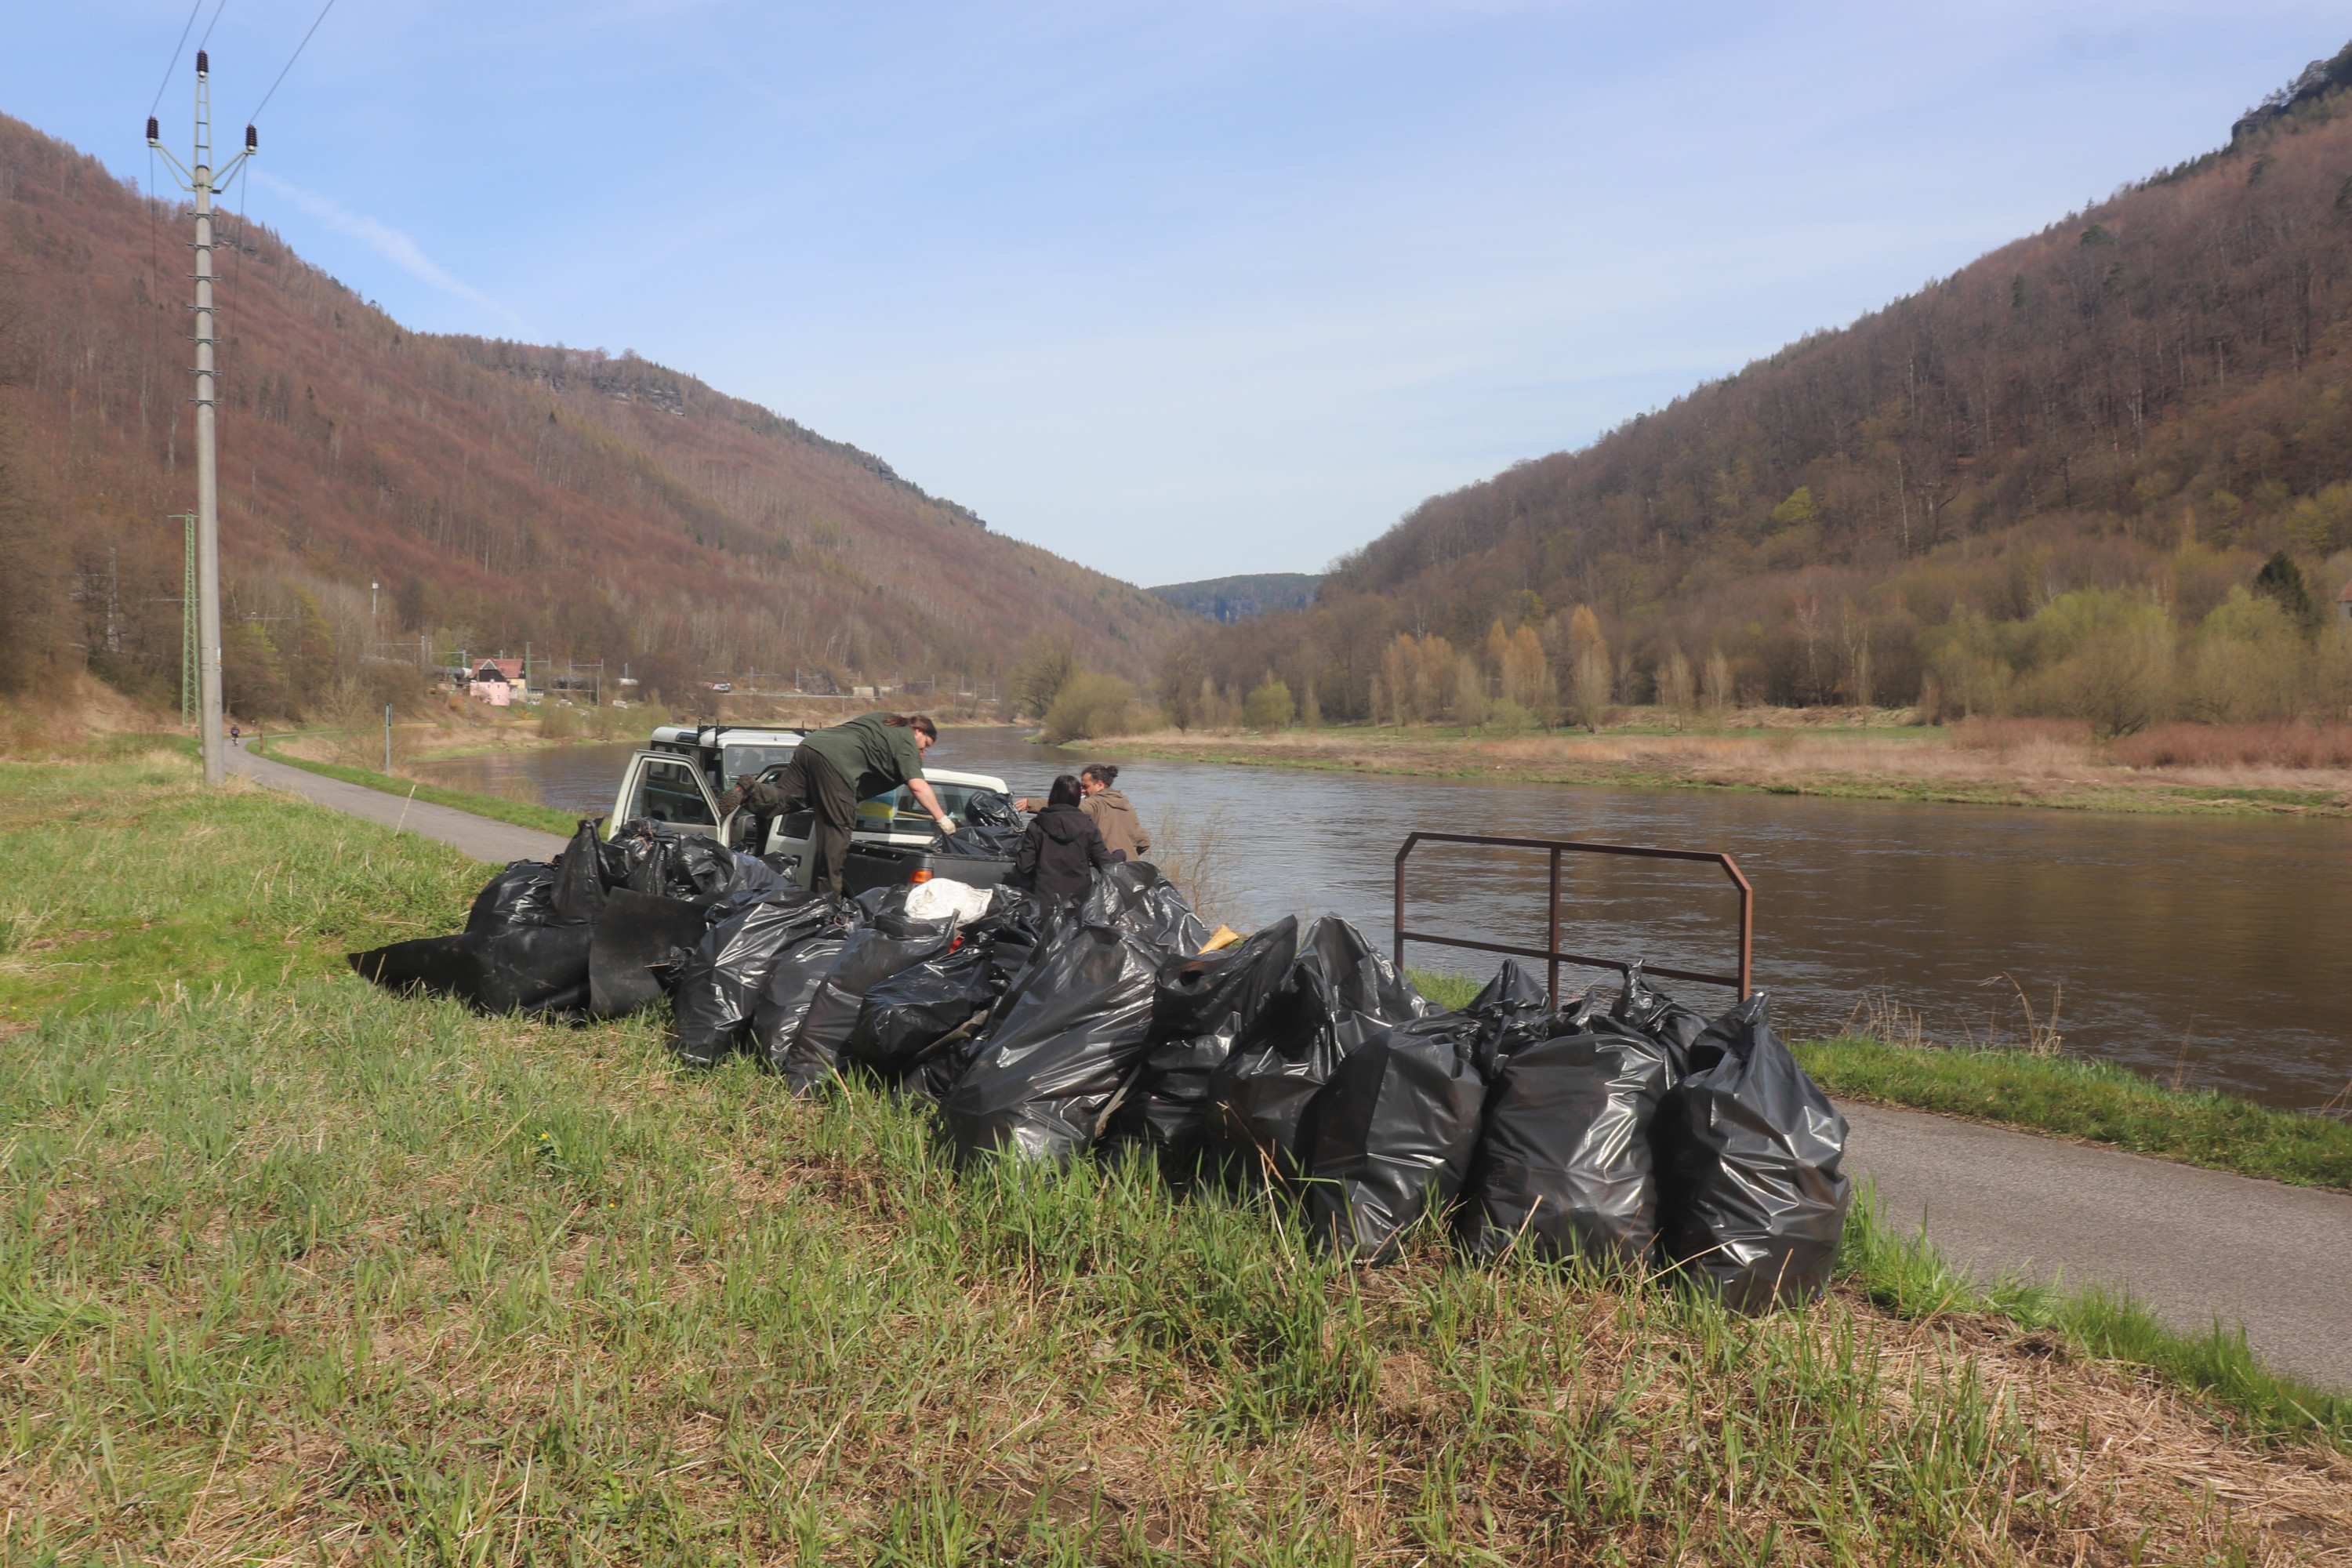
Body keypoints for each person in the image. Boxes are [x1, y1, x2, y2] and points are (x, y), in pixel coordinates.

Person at [721, 713, 953, 895]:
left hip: (811, 746)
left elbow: (865, 745)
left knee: (786, 797)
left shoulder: (886, 719)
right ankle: (828, 901)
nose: (923, 752)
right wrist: (943, 820)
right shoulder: (906, 743)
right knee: (836, 834)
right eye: (925, 745)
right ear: (918, 731)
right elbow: (918, 786)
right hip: (836, 764)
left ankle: (749, 792)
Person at [1014, 762, 1149, 862]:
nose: (1082, 791)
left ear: (1100, 785)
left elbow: (1067, 807)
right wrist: (1129, 855)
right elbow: (1144, 842)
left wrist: (1031, 803)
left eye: (1085, 786)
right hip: (1133, 872)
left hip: (1110, 872)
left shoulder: (1096, 804)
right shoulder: (1127, 806)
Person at [1012, 773, 1111, 902]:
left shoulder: (1037, 825)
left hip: (1044, 898)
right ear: (1077, 799)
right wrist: (1121, 855)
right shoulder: (1089, 826)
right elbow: (1105, 863)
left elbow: (1024, 866)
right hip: (1078, 900)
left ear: (1053, 795)